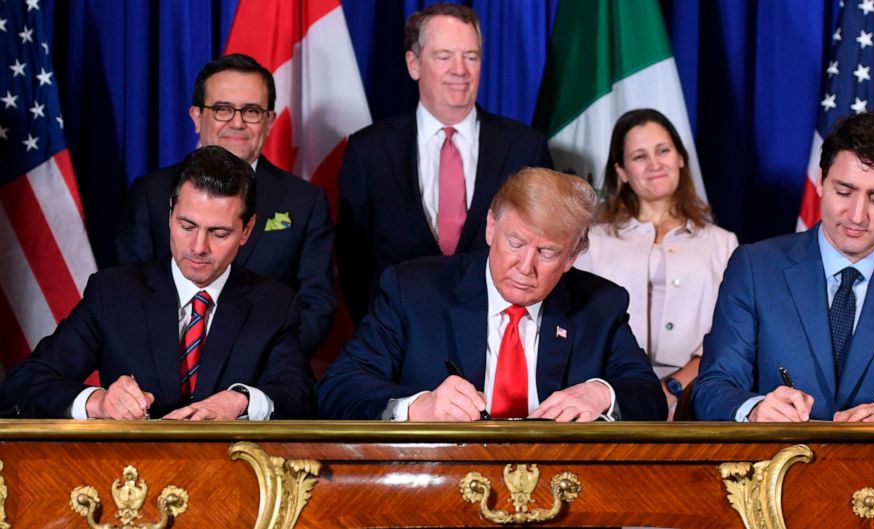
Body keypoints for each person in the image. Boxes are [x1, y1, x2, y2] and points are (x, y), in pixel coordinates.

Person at [317, 167, 667, 421]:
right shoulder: (413, 290)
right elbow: (338, 387)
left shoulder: (600, 305)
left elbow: (648, 396)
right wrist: (418, 406)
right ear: (490, 227)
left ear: (572, 257)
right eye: (515, 243)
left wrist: (599, 393)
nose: (525, 266)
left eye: (547, 253)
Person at [692, 112, 874, 422]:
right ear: (821, 182)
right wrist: (756, 410)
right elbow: (713, 387)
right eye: (844, 192)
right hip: (775, 463)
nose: (856, 215)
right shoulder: (755, 267)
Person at [0, 146, 313, 420]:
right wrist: (98, 401)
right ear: (169, 216)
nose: (199, 246)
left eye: (219, 233)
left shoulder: (274, 305)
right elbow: (23, 383)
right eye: (187, 225)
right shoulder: (113, 294)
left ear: (246, 231)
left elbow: (300, 396)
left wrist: (242, 401)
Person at [337, 3, 553, 326]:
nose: (460, 70)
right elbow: (353, 265)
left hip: (496, 343)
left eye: (471, 56)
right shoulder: (368, 150)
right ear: (413, 64)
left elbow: (544, 248)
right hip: (397, 343)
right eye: (444, 56)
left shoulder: (525, 148)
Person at [116, 53, 334, 357]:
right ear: (196, 116)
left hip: (264, 380)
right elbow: (127, 294)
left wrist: (255, 364)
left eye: (252, 111)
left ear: (269, 121)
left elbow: (316, 307)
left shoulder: (305, 202)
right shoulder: (151, 193)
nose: (237, 122)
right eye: (222, 109)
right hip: (165, 374)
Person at [574, 109, 737, 418]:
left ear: (680, 158)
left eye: (663, 151)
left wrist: (674, 387)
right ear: (621, 171)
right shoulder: (592, 242)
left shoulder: (723, 243)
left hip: (698, 398)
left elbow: (732, 336)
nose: (654, 164)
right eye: (639, 156)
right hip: (610, 403)